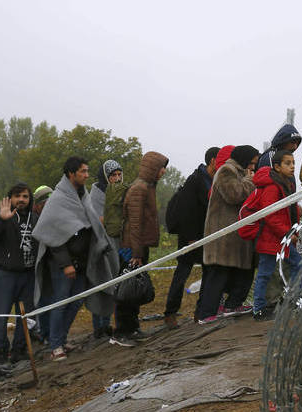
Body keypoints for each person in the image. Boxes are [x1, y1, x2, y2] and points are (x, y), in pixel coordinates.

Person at [33, 156, 119, 361]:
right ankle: (55, 345)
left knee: (75, 303)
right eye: (83, 172)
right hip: (63, 265)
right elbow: (53, 234)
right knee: (61, 303)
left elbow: (91, 225)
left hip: (83, 262)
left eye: (88, 171)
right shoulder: (58, 199)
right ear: (71, 174)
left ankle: (61, 340)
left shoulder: (83, 196)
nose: (87, 175)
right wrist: (66, 264)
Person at [197, 145, 260, 323]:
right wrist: (249, 181)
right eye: (252, 163)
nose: (253, 168)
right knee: (218, 274)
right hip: (222, 234)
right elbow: (234, 194)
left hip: (234, 235)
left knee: (239, 271)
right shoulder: (226, 171)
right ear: (244, 159)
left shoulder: (239, 172)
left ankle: (232, 305)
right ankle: (206, 314)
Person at [113, 151, 169, 344]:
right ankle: (121, 332)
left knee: (135, 288)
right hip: (132, 246)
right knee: (127, 290)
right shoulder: (139, 189)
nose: (163, 172)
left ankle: (133, 328)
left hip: (139, 245)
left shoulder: (148, 187)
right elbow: (135, 223)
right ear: (153, 168)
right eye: (161, 167)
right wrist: (136, 253)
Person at [0, 183, 38, 363]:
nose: (21, 200)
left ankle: (19, 350)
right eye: (17, 196)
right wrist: (1, 219)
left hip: (28, 274)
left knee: (26, 315)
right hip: (4, 273)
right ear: (10, 198)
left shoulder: (35, 218)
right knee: (1, 313)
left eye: (25, 196)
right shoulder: (1, 215)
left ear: (30, 200)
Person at [164, 147, 219, 329]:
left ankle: (201, 311)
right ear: (212, 161)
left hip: (206, 237)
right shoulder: (195, 180)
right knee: (182, 275)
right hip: (190, 238)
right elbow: (185, 211)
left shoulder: (214, 181)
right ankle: (170, 314)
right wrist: (189, 238)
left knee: (209, 273)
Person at [251, 150, 302, 320]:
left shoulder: (283, 184)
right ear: (277, 166)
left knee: (297, 265)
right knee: (265, 273)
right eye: (288, 163)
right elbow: (270, 215)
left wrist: (298, 212)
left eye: (293, 163)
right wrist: (288, 233)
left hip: (280, 238)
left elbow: (286, 208)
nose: (292, 166)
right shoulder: (273, 187)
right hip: (272, 238)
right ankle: (258, 309)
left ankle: (294, 299)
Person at [88, 160, 122, 337]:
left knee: (114, 285)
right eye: (112, 175)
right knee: (100, 285)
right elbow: (94, 220)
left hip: (116, 244)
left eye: (118, 175)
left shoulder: (119, 193)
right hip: (99, 247)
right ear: (105, 177)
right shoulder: (95, 195)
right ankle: (99, 326)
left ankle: (109, 324)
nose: (116, 179)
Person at [31, 185, 53, 342]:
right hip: (34, 267)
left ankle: (47, 332)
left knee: (50, 301)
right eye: (46, 203)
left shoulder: (53, 217)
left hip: (50, 265)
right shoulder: (32, 220)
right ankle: (42, 332)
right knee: (41, 301)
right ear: (37, 205)